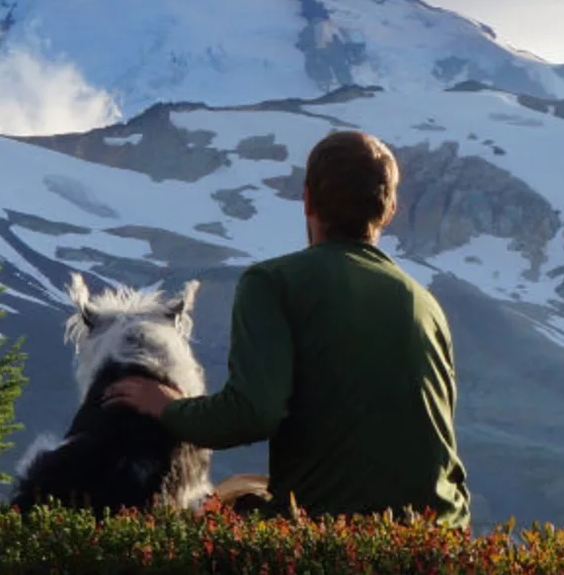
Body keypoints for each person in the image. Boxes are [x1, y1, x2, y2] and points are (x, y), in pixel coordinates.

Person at [101, 130, 471, 529]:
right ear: (391, 208)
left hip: (330, 533)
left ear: (308, 199)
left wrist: (167, 407)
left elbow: (252, 413)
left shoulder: (274, 283)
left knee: (200, 521)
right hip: (444, 534)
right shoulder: (425, 304)